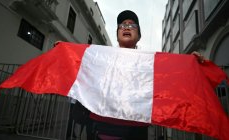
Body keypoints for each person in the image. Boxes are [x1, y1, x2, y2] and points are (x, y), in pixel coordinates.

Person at [56, 10, 205, 140]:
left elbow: (172, 82)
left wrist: (191, 65)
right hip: (98, 129)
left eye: (132, 25)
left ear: (139, 36)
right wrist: (64, 53)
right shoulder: (100, 58)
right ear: (117, 35)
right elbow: (79, 70)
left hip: (136, 130)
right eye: (122, 25)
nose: (126, 26)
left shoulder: (149, 64)